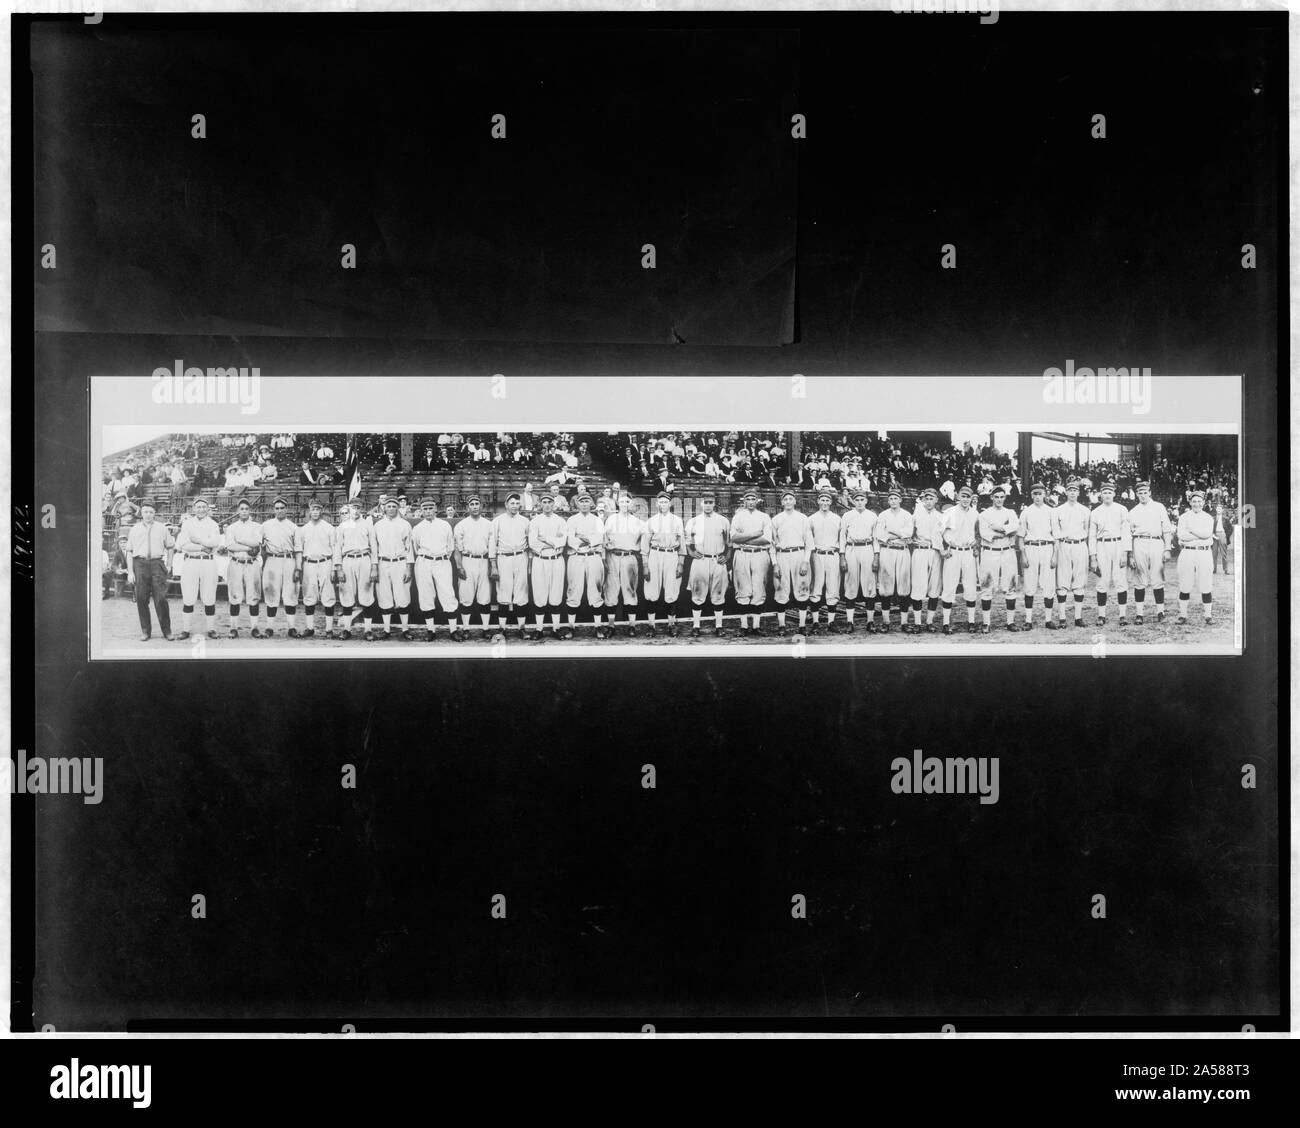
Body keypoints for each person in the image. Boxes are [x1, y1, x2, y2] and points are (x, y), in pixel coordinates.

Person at [410, 497, 461, 641]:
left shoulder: (445, 525)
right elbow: (416, 547)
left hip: (442, 561)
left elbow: (450, 547)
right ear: (421, 511)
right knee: (426, 595)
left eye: (430, 508)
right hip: (424, 561)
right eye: (425, 509)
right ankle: (430, 630)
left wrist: (440, 557)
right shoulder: (417, 528)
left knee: (448, 594)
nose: (428, 511)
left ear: (435, 509)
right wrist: (427, 557)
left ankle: (453, 630)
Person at [173, 498, 221, 640]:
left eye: (203, 506)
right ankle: (186, 629)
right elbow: (184, 544)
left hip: (208, 562)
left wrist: (197, 540)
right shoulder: (187, 523)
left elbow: (215, 542)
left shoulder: (213, 524)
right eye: (198, 507)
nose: (201, 509)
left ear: (208, 508)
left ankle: (211, 629)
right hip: (191, 561)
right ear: (194, 509)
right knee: (188, 596)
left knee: (209, 596)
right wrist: (202, 547)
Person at [125, 502, 174, 640]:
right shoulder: (134, 529)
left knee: (161, 599)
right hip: (140, 564)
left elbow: (170, 547)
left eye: (151, 512)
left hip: (157, 564)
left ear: (154, 513)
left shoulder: (162, 528)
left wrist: (169, 564)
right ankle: (146, 631)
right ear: (141, 513)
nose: (148, 515)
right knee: (141, 598)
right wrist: (130, 572)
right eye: (145, 512)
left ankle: (167, 631)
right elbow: (129, 551)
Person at [1127, 480, 1173, 625]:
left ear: (1150, 493)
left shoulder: (1159, 507)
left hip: (1156, 542)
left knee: (1157, 577)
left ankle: (1160, 612)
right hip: (1139, 543)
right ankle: (1139, 614)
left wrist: (1167, 548)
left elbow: (1166, 529)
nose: (1143, 495)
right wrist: (1130, 555)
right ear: (1136, 494)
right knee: (1139, 579)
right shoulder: (1133, 511)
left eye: (1145, 492)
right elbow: (1129, 534)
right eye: (1140, 493)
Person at [684, 493, 729, 637]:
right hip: (700, 560)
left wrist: (727, 556)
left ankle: (719, 626)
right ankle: (696, 626)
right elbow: (687, 542)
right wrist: (691, 552)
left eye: (710, 502)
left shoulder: (723, 520)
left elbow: (729, 543)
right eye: (705, 502)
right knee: (697, 593)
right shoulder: (693, 521)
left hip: (717, 560)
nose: (708, 505)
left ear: (714, 503)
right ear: (701, 503)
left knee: (718, 594)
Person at [641, 492, 686, 637]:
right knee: (651, 591)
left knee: (672, 590)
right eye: (660, 502)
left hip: (671, 554)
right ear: (656, 504)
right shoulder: (651, 521)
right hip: (655, 554)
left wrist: (681, 563)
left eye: (665, 502)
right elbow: (645, 545)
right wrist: (645, 565)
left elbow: (682, 544)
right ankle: (651, 625)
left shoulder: (677, 520)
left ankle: (671, 624)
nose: (663, 504)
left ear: (670, 504)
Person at [729, 489, 774, 636]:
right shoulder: (738, 516)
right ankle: (743, 626)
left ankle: (756, 626)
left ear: (757, 501)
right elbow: (734, 537)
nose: (750, 502)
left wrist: (744, 538)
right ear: (744, 501)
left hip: (760, 554)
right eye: (747, 499)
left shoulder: (764, 517)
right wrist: (754, 534)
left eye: (753, 499)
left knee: (758, 588)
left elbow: (766, 539)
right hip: (742, 554)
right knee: (743, 589)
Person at [1088, 480, 1132, 627]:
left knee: (1120, 580)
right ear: (1101, 494)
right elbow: (1092, 536)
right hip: (1102, 545)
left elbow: (1126, 532)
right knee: (1102, 580)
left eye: (1109, 492)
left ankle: (1122, 615)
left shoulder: (1122, 509)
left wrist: (1125, 553)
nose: (1107, 495)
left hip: (1118, 544)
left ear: (1114, 494)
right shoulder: (1095, 512)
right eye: (1104, 492)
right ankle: (1101, 615)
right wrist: (1093, 557)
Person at [489, 492, 532, 641]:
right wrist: (493, 565)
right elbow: (492, 543)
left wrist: (529, 563)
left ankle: (522, 628)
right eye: (512, 503)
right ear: (506, 504)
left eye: (517, 503)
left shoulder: (525, 521)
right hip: (503, 558)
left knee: (521, 593)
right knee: (503, 592)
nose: (514, 506)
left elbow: (530, 542)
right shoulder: (498, 521)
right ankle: (502, 628)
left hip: (520, 557)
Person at [565, 492, 607, 639]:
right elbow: (570, 540)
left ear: (591, 503)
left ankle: (598, 627)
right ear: (577, 504)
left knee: (595, 591)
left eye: (587, 501)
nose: (584, 504)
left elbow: (599, 538)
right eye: (581, 501)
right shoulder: (571, 520)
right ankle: (571, 628)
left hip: (593, 556)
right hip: (576, 557)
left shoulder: (597, 520)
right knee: (573, 591)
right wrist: (589, 539)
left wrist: (583, 538)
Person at [1016, 483, 1058, 630]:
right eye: (1035, 494)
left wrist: (1055, 556)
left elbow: (1056, 536)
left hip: (1047, 547)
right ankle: (1028, 620)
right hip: (1031, 548)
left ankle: (1048, 620)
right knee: (1029, 584)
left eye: (1040, 494)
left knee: (1049, 584)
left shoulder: (1051, 511)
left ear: (1044, 495)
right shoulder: (1026, 512)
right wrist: (1023, 555)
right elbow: (1021, 537)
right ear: (1031, 495)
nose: (1038, 496)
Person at [259, 496, 302, 639]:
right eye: (277, 508)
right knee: (271, 593)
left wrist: (298, 568)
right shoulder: (266, 525)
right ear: (273, 510)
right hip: (272, 559)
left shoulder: (293, 527)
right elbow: (259, 545)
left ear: (286, 509)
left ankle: (292, 627)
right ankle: (269, 627)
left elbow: (298, 549)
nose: (279, 511)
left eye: (282, 508)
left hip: (289, 560)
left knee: (290, 594)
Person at [295, 499, 338, 639]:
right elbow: (299, 550)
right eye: (313, 509)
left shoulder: (329, 528)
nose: (315, 512)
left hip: (325, 562)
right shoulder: (303, 529)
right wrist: (299, 567)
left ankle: (329, 629)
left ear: (321, 511)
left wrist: (334, 568)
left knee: (328, 595)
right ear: (309, 511)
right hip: (309, 563)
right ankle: (310, 628)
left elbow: (334, 548)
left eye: (318, 509)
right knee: (309, 595)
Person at [939, 486, 980, 634]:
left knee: (970, 586)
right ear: (958, 497)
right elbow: (938, 532)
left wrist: (976, 545)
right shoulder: (950, 512)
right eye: (963, 496)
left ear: (971, 498)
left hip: (968, 552)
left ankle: (971, 622)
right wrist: (943, 549)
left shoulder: (975, 513)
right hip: (953, 552)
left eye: (968, 496)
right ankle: (945, 623)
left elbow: (978, 533)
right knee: (949, 586)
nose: (965, 499)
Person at [528, 493, 569, 639]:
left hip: (557, 559)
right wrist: (553, 542)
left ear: (554, 504)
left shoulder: (561, 521)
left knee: (556, 593)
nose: (547, 505)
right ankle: (539, 629)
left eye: (549, 502)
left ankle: (556, 629)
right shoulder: (535, 521)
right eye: (544, 502)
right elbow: (533, 543)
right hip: (540, 559)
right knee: (539, 594)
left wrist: (545, 540)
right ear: (540, 504)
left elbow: (563, 541)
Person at [603, 493, 645, 636]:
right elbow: (604, 540)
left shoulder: (638, 522)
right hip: (613, 556)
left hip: (629, 556)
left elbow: (644, 541)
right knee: (611, 591)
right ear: (618, 503)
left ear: (631, 503)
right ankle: (611, 626)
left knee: (630, 591)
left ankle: (631, 626)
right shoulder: (611, 520)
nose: (624, 504)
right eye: (622, 501)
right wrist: (604, 559)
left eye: (627, 501)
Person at [221, 498, 264, 638]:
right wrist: (248, 547)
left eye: (246, 509)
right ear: (238, 511)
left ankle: (254, 628)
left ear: (250, 510)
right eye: (241, 509)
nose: (244, 511)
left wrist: (239, 541)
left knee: (254, 596)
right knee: (235, 595)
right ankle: (233, 628)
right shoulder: (232, 527)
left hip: (252, 563)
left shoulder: (257, 526)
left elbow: (257, 544)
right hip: (236, 562)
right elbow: (230, 546)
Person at [1052, 478, 1091, 629]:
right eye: (1070, 490)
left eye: (1075, 490)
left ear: (1078, 493)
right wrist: (1056, 552)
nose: (1072, 493)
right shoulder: (1058, 510)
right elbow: (1056, 533)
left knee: (1079, 581)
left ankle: (1078, 617)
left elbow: (1087, 531)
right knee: (1062, 581)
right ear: (1066, 492)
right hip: (1064, 545)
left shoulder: (1085, 510)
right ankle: (1062, 618)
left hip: (1080, 545)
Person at [453, 496, 494, 637]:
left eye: (477, 504)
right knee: (466, 596)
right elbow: (457, 549)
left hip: (484, 561)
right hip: (467, 560)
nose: (475, 506)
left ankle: (486, 629)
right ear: (467, 507)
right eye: (472, 504)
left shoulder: (489, 524)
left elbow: (492, 547)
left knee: (485, 597)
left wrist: (492, 565)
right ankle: (466, 629)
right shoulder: (461, 525)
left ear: (481, 506)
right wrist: (459, 567)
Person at [874, 489, 913, 633]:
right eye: (890, 499)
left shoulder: (907, 515)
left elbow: (908, 533)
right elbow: (880, 534)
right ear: (888, 500)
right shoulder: (883, 515)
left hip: (902, 551)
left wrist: (892, 532)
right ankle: (886, 622)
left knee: (904, 587)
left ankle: (904, 622)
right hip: (887, 550)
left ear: (900, 500)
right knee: (886, 588)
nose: (893, 501)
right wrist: (900, 534)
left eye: (896, 498)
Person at [1175, 490, 1216, 624]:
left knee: (1206, 583)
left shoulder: (1208, 517)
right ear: (1190, 502)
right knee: (1185, 583)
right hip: (1187, 552)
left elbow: (1207, 534)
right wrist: (1200, 535)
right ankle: (1183, 615)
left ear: (1203, 502)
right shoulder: (1184, 517)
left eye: (1199, 501)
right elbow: (1181, 535)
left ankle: (1208, 615)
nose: (1196, 504)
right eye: (1194, 501)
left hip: (1204, 552)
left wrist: (1191, 530)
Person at [908, 488, 944, 633]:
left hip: (935, 552)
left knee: (934, 587)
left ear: (936, 500)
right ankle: (917, 623)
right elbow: (909, 534)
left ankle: (929, 622)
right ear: (923, 500)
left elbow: (945, 536)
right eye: (926, 499)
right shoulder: (916, 515)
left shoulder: (941, 516)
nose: (929, 502)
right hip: (920, 551)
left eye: (931, 499)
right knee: (918, 586)